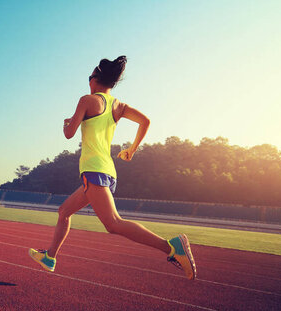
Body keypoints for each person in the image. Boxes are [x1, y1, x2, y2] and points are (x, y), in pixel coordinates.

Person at [28, 56, 197, 280]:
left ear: (96, 79)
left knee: (113, 223)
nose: (88, 82)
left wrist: (67, 123)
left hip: (93, 169)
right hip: (107, 171)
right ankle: (50, 256)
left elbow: (69, 134)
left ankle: (171, 247)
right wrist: (132, 149)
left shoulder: (87, 100)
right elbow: (145, 121)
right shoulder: (119, 106)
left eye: (89, 77)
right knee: (64, 212)